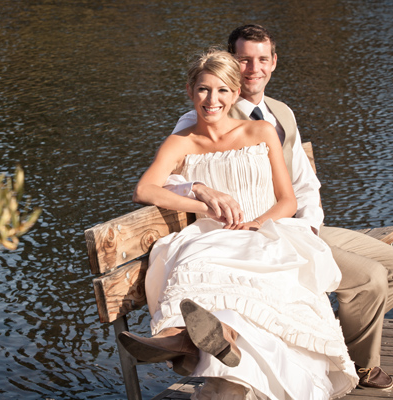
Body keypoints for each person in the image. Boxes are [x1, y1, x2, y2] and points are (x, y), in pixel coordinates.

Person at [164, 24, 393, 390]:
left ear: (274, 62)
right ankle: (362, 365)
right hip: (259, 235)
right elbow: (169, 176)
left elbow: (304, 184)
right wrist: (200, 189)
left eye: (262, 59)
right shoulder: (208, 112)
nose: (254, 68)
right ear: (230, 64)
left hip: (299, 228)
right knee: (371, 278)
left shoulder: (280, 113)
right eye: (243, 60)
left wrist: (312, 227)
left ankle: (330, 342)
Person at [120, 48, 358, 399]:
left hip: (262, 229)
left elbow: (288, 200)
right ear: (190, 91)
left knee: (251, 264)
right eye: (203, 89)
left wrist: (256, 224)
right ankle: (181, 336)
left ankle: (210, 336)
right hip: (210, 232)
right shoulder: (180, 142)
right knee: (193, 258)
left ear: (234, 93)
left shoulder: (261, 131)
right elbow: (145, 189)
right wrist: (200, 202)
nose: (211, 99)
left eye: (221, 90)